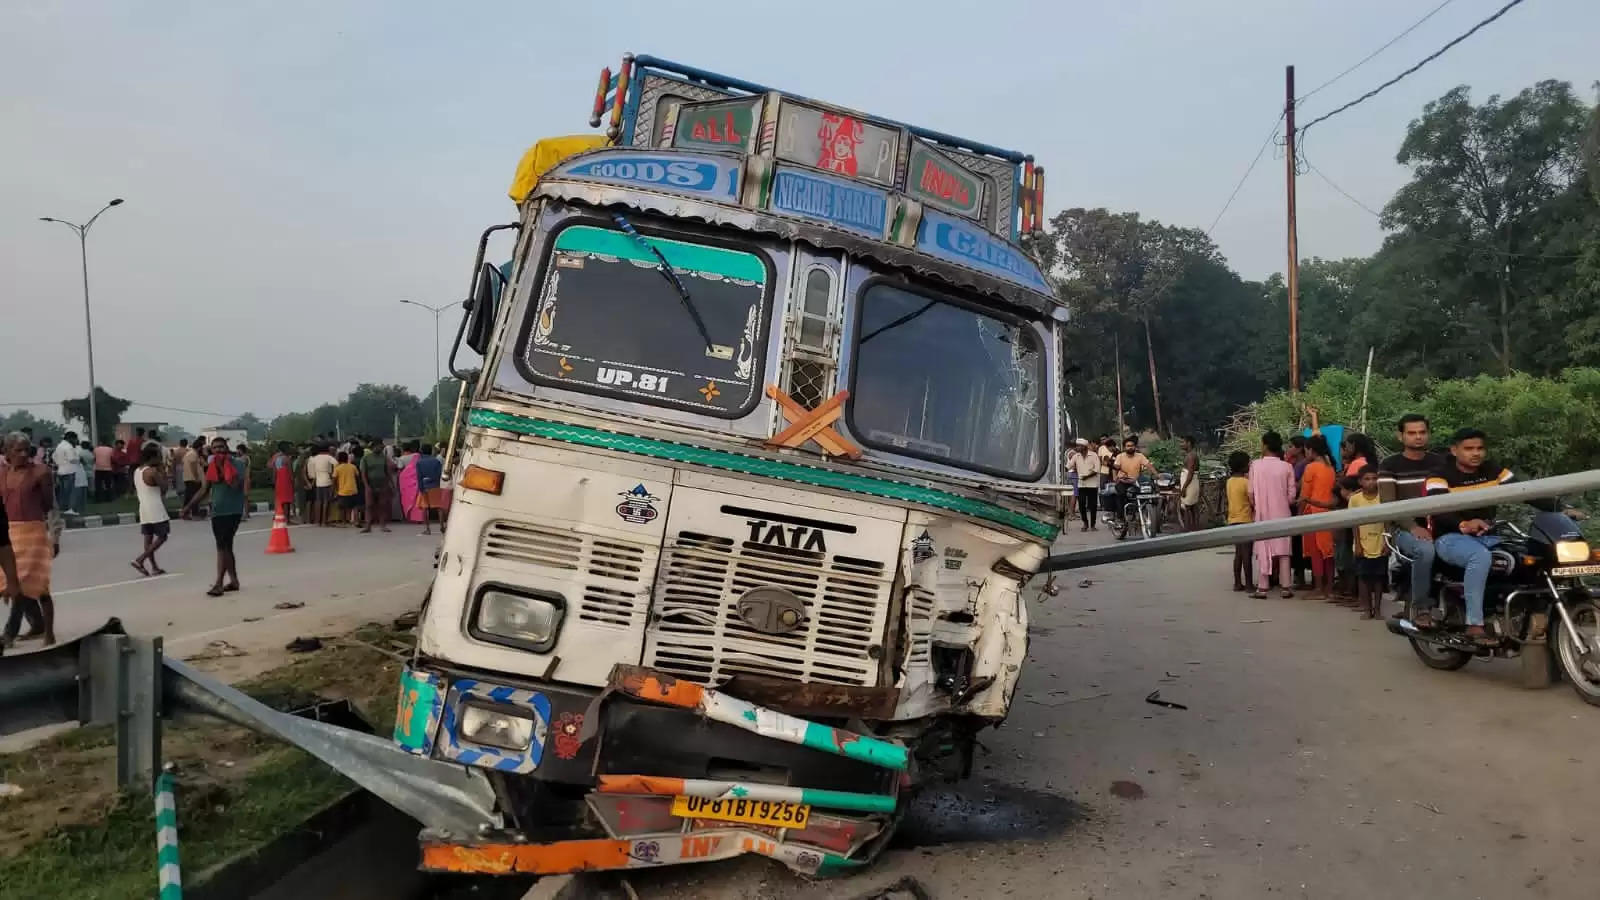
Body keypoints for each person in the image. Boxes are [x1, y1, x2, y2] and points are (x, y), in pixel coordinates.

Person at [1425, 428, 1541, 643]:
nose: (1476, 453)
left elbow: (1526, 491)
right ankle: (1474, 624)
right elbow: (1437, 508)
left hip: (1489, 536)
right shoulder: (1439, 474)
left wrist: (1559, 508)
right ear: (1454, 450)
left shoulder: (1493, 470)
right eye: (1469, 449)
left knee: (1528, 556)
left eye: (1480, 448)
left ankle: (1524, 613)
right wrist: (1463, 523)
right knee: (1480, 557)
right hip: (1450, 538)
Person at [1379, 414, 1445, 620]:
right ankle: (1420, 608)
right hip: (1405, 527)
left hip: (1440, 523)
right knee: (1425, 551)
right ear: (1401, 436)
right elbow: (1389, 505)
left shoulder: (1440, 462)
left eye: (1422, 432)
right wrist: (1412, 527)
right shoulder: (1390, 464)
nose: (1418, 437)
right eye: (1412, 433)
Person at [2, 432, 56, 647]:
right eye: (18, 450)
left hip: (33, 533)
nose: (24, 454)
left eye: (27, 449)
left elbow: (48, 505)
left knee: (22, 582)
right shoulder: (2, 474)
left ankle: (9, 633)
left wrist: (55, 536)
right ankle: (38, 624)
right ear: (6, 452)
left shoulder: (41, 472)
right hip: (9, 531)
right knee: (12, 582)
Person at [181, 437, 246, 597]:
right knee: (226, 546)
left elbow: (237, 486)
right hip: (217, 510)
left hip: (232, 511)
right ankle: (234, 581)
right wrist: (188, 507)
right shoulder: (211, 466)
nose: (219, 450)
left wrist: (224, 467)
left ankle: (218, 583)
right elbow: (204, 489)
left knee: (222, 547)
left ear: (226, 447)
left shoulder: (238, 464)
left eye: (221, 447)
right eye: (215, 448)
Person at [1247, 431, 1297, 599]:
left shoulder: (1255, 465)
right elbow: (1292, 496)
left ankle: (1262, 587)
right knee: (1283, 550)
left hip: (1262, 513)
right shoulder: (1287, 466)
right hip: (1282, 512)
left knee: (1263, 548)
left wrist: (1257, 506)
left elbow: (1250, 492)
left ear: (1266, 445)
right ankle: (1286, 586)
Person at [1298, 435, 1338, 601]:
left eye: (1306, 450)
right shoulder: (1330, 467)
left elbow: (1304, 495)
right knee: (1328, 552)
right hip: (1328, 513)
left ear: (1311, 450)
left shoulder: (1311, 467)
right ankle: (1328, 588)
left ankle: (1319, 588)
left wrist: (1299, 514)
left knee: (1316, 552)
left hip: (1313, 513)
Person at [1347, 465, 1386, 619]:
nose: (1371, 482)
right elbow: (1354, 523)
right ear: (1360, 482)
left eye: (1374, 478)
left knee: (1378, 578)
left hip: (1380, 541)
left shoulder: (1383, 496)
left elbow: (1388, 521)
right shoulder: (1355, 499)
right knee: (1363, 578)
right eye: (1367, 479)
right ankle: (1366, 608)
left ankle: (1377, 609)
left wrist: (1387, 543)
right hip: (1362, 543)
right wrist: (1357, 544)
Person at [130, 444, 170, 577]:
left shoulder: (137, 471)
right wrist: (163, 472)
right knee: (162, 536)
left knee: (148, 538)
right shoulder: (152, 472)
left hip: (144, 507)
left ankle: (154, 567)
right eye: (158, 457)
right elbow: (164, 488)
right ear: (152, 458)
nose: (160, 459)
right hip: (156, 507)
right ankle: (140, 559)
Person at [1225, 451, 1253, 591]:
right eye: (1248, 463)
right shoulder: (1246, 482)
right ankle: (1248, 584)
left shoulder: (1229, 482)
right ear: (1243, 467)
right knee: (1247, 553)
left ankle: (1237, 582)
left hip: (1233, 519)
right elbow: (1251, 501)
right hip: (1246, 520)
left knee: (1238, 553)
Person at [1111, 436, 1154, 522]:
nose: (1130, 447)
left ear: (1135, 447)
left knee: (1147, 491)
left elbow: (1149, 465)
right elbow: (1115, 468)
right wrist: (1115, 478)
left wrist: (1157, 475)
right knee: (1121, 494)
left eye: (1132, 445)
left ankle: (1140, 511)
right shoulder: (1120, 456)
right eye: (1128, 446)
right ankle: (1120, 517)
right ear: (1124, 447)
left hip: (1136, 481)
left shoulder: (1140, 456)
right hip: (1123, 481)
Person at [360, 437, 396, 534]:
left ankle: (383, 526)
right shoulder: (366, 458)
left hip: (383, 485)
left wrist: (391, 484)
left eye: (381, 447)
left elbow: (388, 472)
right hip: (370, 485)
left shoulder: (384, 458)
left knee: (382, 505)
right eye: (378, 446)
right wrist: (367, 486)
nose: (380, 448)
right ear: (373, 447)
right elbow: (363, 473)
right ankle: (368, 526)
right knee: (369, 505)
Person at [415, 443, 445, 535]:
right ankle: (442, 527)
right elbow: (439, 474)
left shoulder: (419, 462)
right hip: (435, 486)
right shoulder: (436, 461)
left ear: (421, 451)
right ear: (431, 451)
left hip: (424, 486)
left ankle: (427, 529)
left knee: (425, 508)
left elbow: (419, 477)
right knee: (439, 507)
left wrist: (421, 488)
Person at [1070, 438, 1100, 531]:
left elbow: (1097, 469)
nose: (1077, 447)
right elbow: (1069, 466)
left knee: (1092, 505)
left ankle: (1093, 524)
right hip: (1081, 484)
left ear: (1085, 447)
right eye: (1077, 445)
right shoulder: (1076, 456)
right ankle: (1085, 523)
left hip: (1092, 484)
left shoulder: (1094, 455)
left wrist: (1087, 476)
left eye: (1079, 446)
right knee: (1082, 504)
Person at [52, 431, 83, 514]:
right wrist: (80, 460)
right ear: (70, 438)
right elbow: (72, 459)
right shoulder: (69, 447)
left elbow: (54, 457)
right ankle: (71, 509)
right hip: (70, 471)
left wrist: (60, 463)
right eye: (75, 438)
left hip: (61, 471)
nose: (76, 440)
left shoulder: (59, 446)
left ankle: (63, 509)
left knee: (63, 492)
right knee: (71, 492)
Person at [308, 444, 337, 526]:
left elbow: (310, 469)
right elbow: (336, 463)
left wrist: (313, 475)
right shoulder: (328, 457)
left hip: (318, 481)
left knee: (318, 501)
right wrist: (333, 474)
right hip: (327, 480)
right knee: (326, 501)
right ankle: (324, 521)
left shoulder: (314, 458)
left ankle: (318, 521)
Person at [1178, 435, 1201, 531]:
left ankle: (1189, 529)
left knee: (1188, 507)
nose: (1181, 444)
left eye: (1183, 442)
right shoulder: (1190, 454)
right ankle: (1194, 528)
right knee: (1192, 507)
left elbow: (1190, 473)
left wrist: (1184, 488)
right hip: (1190, 482)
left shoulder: (1191, 456)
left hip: (1190, 484)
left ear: (1189, 443)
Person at [269, 441, 297, 522]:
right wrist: (293, 481)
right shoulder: (287, 459)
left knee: (281, 499)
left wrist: (274, 482)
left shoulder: (276, 459)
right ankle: (287, 519)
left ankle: (281, 517)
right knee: (287, 501)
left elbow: (274, 472)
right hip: (286, 480)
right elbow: (291, 472)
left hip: (279, 480)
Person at [333, 451, 360, 526]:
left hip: (342, 491)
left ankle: (344, 522)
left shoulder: (337, 468)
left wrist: (335, 490)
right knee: (355, 507)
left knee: (342, 508)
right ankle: (356, 521)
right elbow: (357, 477)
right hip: (353, 490)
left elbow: (334, 480)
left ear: (338, 458)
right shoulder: (353, 466)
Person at [179, 438, 204, 509]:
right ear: (199, 447)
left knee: (189, 496)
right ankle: (193, 511)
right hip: (192, 478)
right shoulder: (193, 454)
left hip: (187, 477)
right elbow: (193, 467)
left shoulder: (189, 453)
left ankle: (186, 511)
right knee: (194, 496)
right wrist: (196, 477)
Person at [92, 438, 115, 503]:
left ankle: (98, 499)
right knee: (108, 485)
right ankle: (109, 498)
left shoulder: (96, 449)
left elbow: (94, 458)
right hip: (108, 469)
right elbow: (112, 458)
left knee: (98, 485)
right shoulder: (111, 449)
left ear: (100, 442)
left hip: (98, 468)